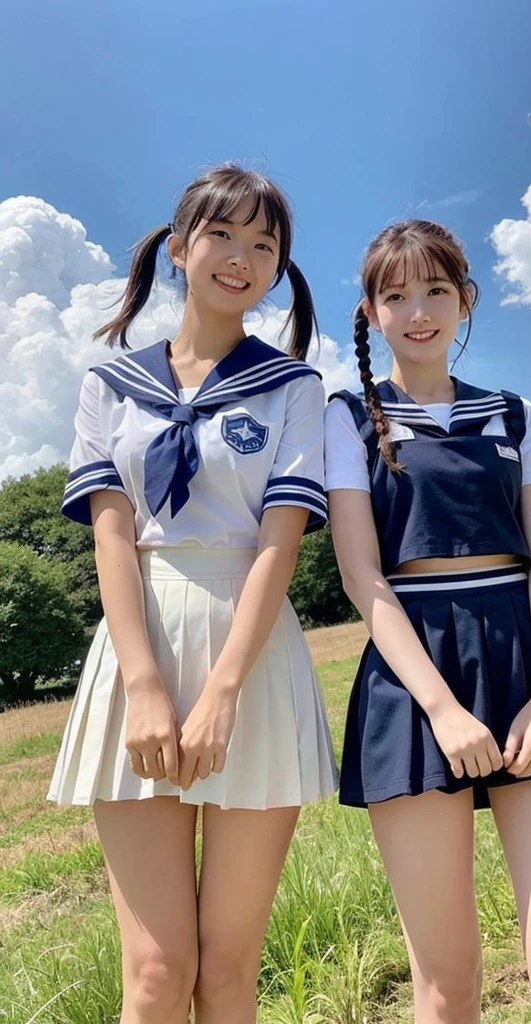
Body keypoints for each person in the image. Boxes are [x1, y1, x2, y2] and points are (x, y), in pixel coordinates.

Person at [324, 218, 531, 1024]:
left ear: (465, 301)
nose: (418, 310)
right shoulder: (347, 419)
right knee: (447, 988)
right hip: (413, 681)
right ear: (369, 312)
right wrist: (439, 708)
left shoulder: (512, 413)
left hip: (527, 665)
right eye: (395, 295)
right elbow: (363, 575)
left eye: (436, 290)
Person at [48, 163, 337, 1024]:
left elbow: (280, 544)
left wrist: (220, 696)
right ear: (179, 248)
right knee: (158, 972)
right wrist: (143, 685)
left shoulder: (295, 389)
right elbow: (112, 534)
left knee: (228, 971)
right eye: (223, 235)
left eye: (265, 245)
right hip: (137, 648)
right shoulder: (110, 386)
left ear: (278, 269)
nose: (242, 257)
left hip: (251, 661)